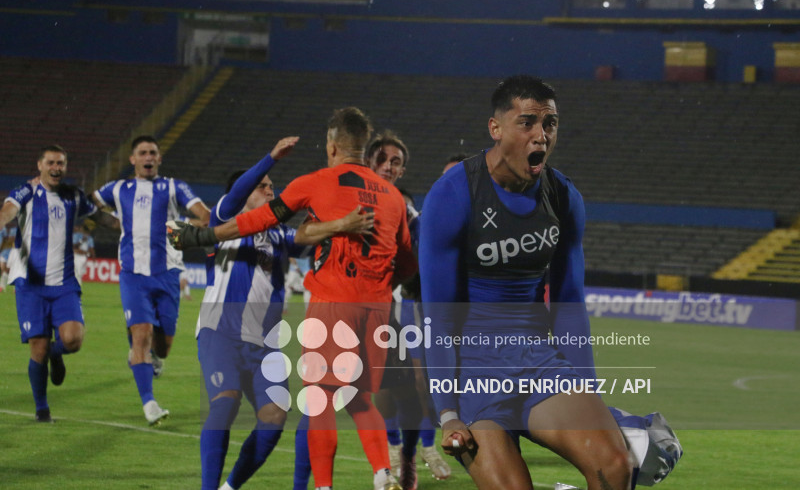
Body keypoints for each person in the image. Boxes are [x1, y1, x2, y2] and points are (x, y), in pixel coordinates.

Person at [168, 107, 417, 490]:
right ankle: (383, 471)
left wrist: (199, 236)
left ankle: (317, 486)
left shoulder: (315, 184)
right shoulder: (394, 197)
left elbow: (274, 224)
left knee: (314, 402)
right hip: (375, 309)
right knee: (359, 397)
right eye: (263, 184)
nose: (270, 189)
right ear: (364, 148)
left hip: (328, 307)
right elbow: (407, 260)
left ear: (331, 146)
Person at [419, 76, 633, 490]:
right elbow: (439, 318)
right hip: (473, 374)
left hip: (539, 363)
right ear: (495, 128)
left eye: (550, 123)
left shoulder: (562, 196)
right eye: (528, 122)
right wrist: (447, 413)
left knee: (616, 465)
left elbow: (569, 304)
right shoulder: (452, 195)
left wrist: (589, 395)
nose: (541, 135)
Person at [196, 136, 375, 490]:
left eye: (271, 187)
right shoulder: (225, 222)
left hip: (264, 345)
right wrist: (271, 159)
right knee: (225, 405)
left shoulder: (279, 235)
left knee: (274, 418)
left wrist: (342, 222)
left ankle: (229, 487)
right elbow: (236, 196)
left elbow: (310, 234)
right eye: (262, 187)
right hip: (222, 334)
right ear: (243, 193)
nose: (269, 191)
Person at [94, 135, 211, 425]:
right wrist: (115, 223)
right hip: (133, 274)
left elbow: (206, 217)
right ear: (133, 160)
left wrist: (176, 227)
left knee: (163, 348)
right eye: (142, 153)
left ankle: (143, 352)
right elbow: (88, 206)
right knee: (142, 335)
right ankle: (149, 403)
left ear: (159, 159)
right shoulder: (118, 188)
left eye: (153, 153)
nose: (148, 157)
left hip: (168, 275)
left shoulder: (174, 187)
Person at [0, 145, 117, 422]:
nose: (56, 168)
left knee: (73, 340)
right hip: (30, 283)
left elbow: (101, 218)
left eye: (61, 163)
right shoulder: (25, 192)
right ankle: (42, 409)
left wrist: (135, 227)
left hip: (64, 282)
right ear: (40, 165)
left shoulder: (73, 196)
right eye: (51, 162)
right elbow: (7, 211)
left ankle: (57, 353)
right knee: (36, 348)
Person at [367, 131, 452, 490]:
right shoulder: (346, 194)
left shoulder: (404, 204)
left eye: (396, 162)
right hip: (356, 304)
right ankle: (393, 449)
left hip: (402, 304)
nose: (388, 167)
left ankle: (423, 449)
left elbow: (423, 233)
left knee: (416, 382)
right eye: (382, 159)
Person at [72, 221, 96, 287]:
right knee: (78, 273)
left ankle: (77, 285)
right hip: (76, 256)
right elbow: (74, 246)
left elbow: (91, 248)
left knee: (81, 273)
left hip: (84, 257)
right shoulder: (76, 236)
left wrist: (94, 258)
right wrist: (82, 240)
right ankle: (77, 286)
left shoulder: (90, 238)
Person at [0, 220, 17, 293]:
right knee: (3, 266)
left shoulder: (16, 228)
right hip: (4, 249)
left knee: (14, 268)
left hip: (13, 250)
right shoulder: (3, 227)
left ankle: (16, 287)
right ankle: (2, 286)